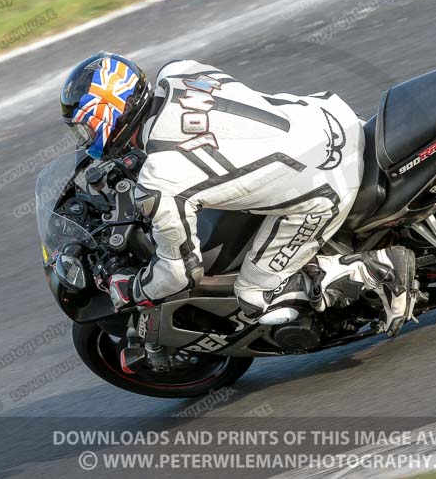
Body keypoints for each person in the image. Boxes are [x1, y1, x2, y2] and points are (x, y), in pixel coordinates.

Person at [60, 52, 416, 339]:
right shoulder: (179, 71)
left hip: (325, 185)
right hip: (331, 120)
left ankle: (380, 271)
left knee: (255, 295)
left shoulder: (161, 178)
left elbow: (181, 273)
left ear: (106, 115)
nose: (84, 140)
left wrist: (133, 289)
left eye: (84, 130)